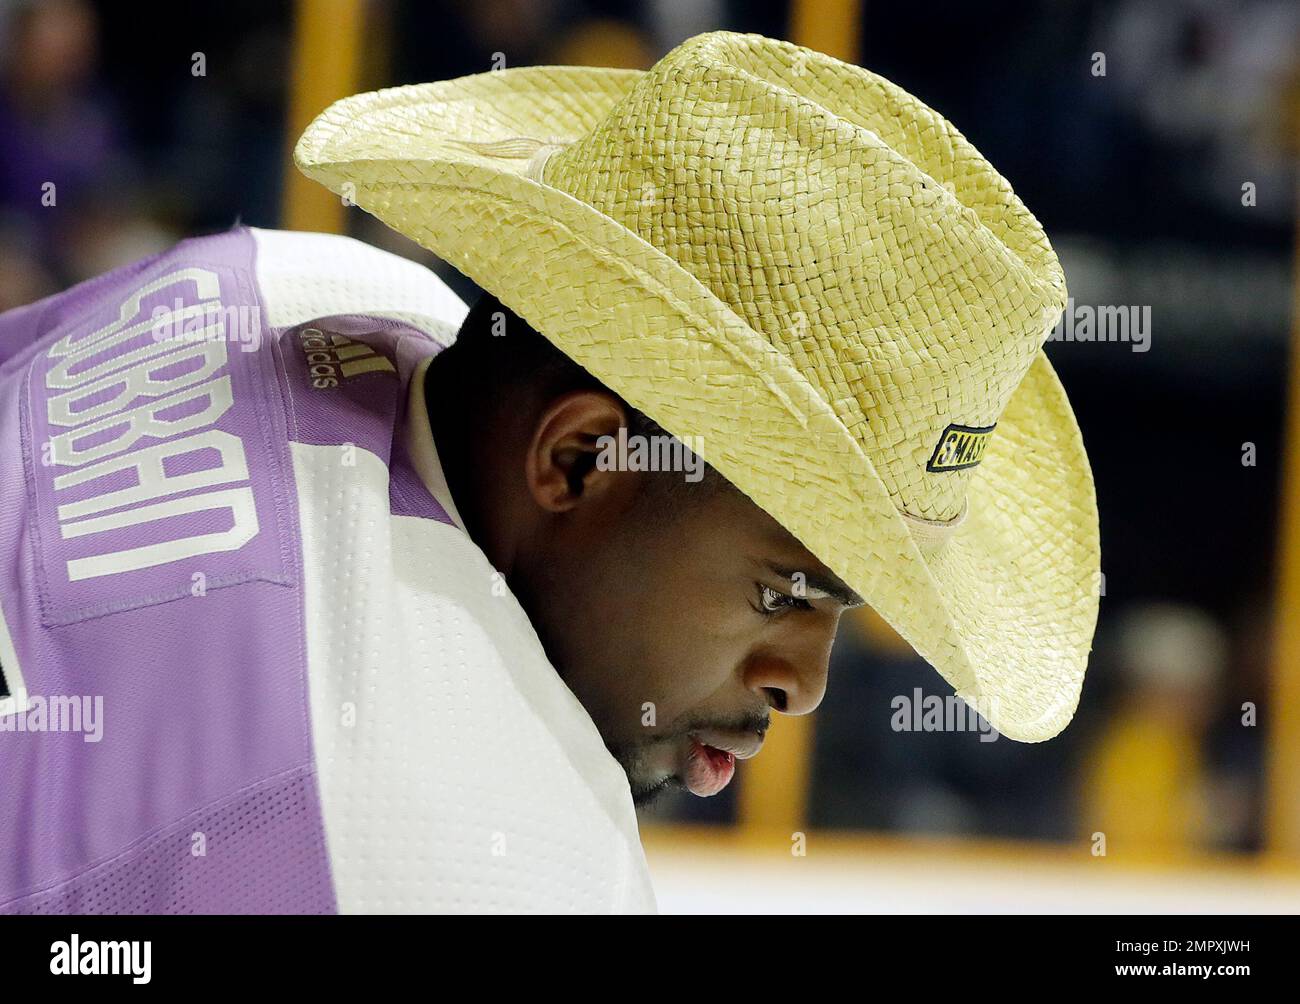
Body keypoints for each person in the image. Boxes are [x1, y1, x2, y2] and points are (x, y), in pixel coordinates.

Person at [0, 31, 1099, 914]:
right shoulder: (482, 858)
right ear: (577, 457)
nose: (803, 682)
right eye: (783, 588)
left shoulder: (279, 281)